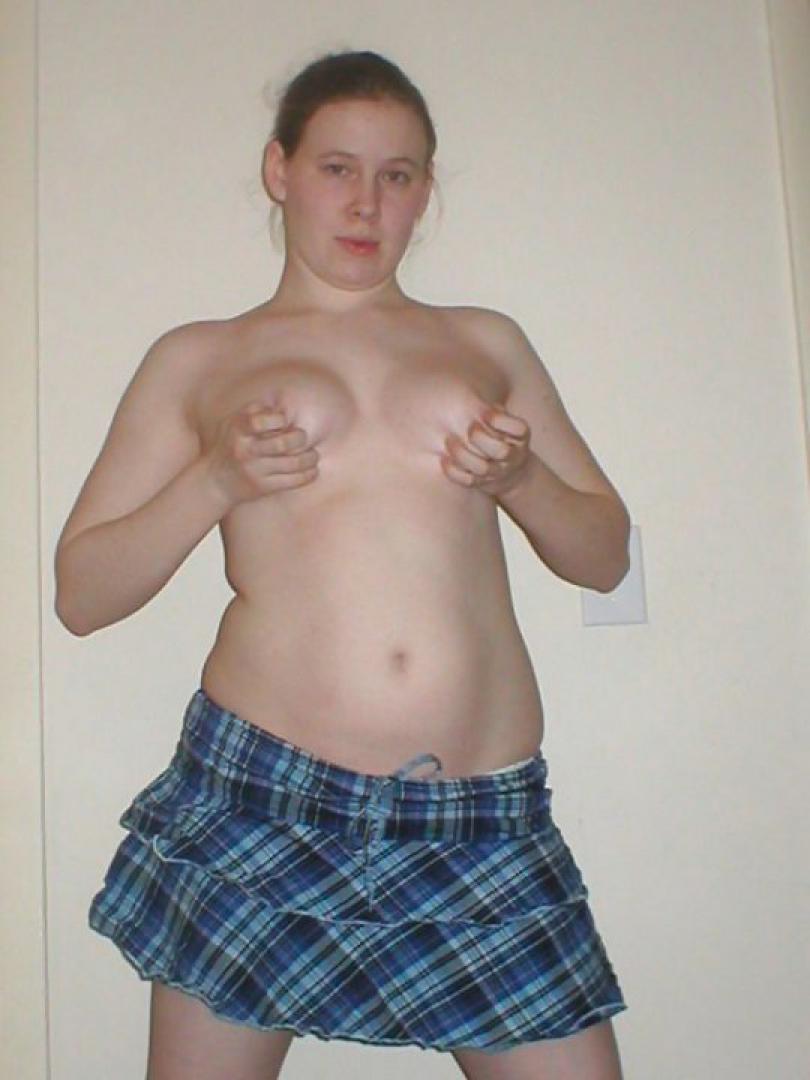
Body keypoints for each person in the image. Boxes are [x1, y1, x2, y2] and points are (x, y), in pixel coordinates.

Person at [55, 49, 631, 1080]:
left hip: (480, 822)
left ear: (426, 191)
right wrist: (216, 480)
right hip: (262, 802)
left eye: (398, 175)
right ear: (279, 170)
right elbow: (82, 593)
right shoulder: (199, 357)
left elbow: (603, 551)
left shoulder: (486, 342)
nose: (368, 203)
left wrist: (523, 479)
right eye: (338, 168)